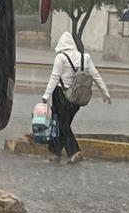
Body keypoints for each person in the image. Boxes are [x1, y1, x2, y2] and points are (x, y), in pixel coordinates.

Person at [41, 31, 111, 164]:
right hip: (77, 98)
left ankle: (74, 151)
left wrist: (46, 95)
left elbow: (55, 78)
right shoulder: (85, 58)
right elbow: (96, 76)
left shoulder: (60, 58)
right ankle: (55, 153)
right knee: (64, 124)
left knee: (62, 125)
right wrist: (105, 93)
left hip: (62, 96)